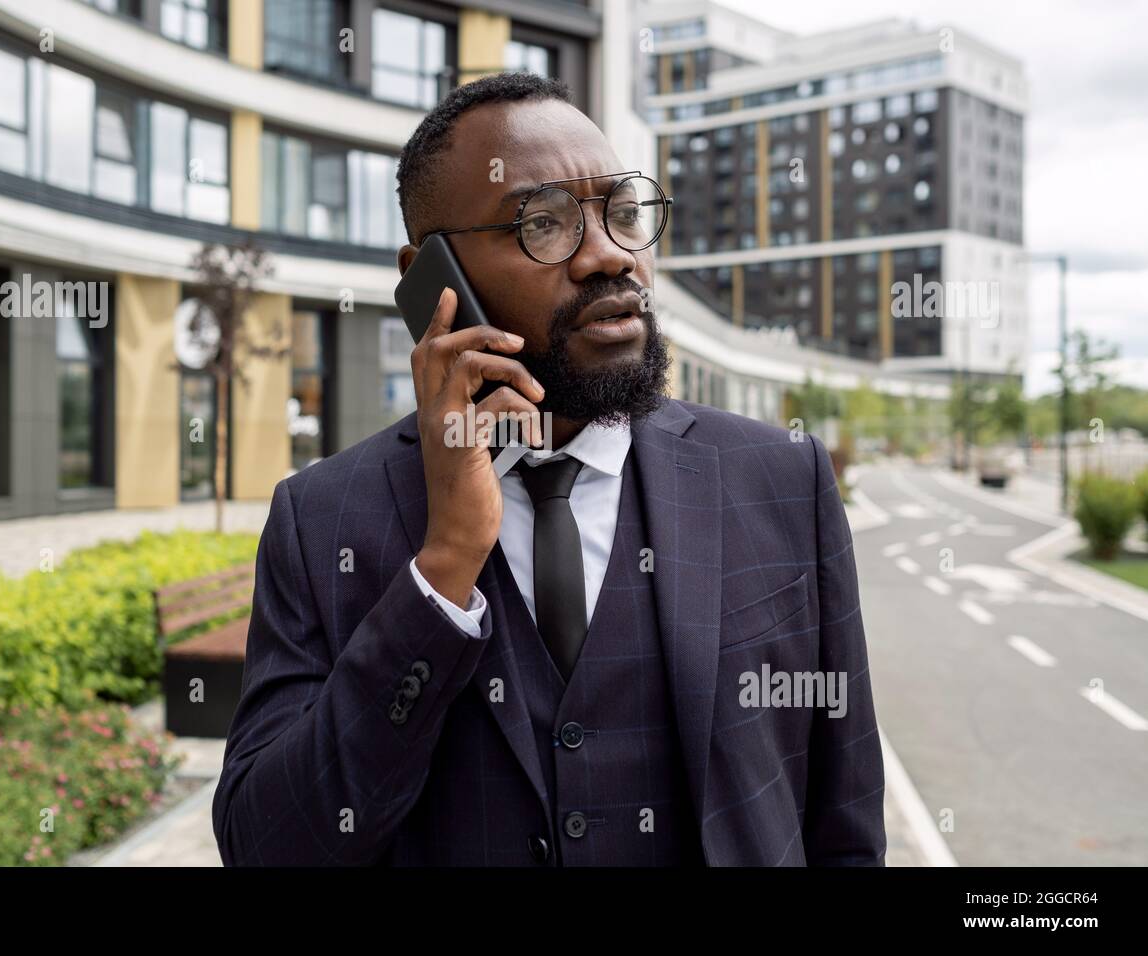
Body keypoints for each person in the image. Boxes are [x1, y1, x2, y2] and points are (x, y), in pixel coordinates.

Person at [212, 72, 885, 866]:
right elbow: (267, 847)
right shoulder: (321, 518)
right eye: (543, 222)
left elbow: (845, 822)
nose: (609, 257)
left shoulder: (781, 480)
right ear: (430, 278)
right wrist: (445, 566)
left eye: (624, 214)